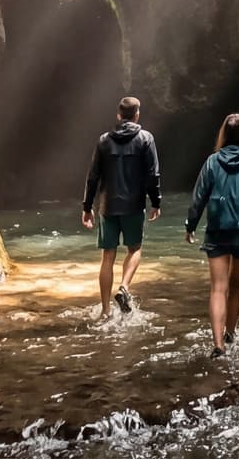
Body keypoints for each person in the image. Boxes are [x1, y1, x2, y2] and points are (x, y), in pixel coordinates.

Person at [184, 112, 239, 358]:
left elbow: (198, 196)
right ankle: (230, 333)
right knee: (236, 284)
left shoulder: (212, 162)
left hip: (217, 232)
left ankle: (218, 345)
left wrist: (190, 225)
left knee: (217, 288)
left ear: (223, 133)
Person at [81, 96, 161, 317]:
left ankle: (106, 310)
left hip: (107, 205)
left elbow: (92, 177)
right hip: (134, 205)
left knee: (108, 255)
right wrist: (156, 201)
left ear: (118, 115)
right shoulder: (146, 138)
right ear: (137, 115)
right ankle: (124, 287)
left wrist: (87, 207)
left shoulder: (104, 140)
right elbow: (152, 174)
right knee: (134, 248)